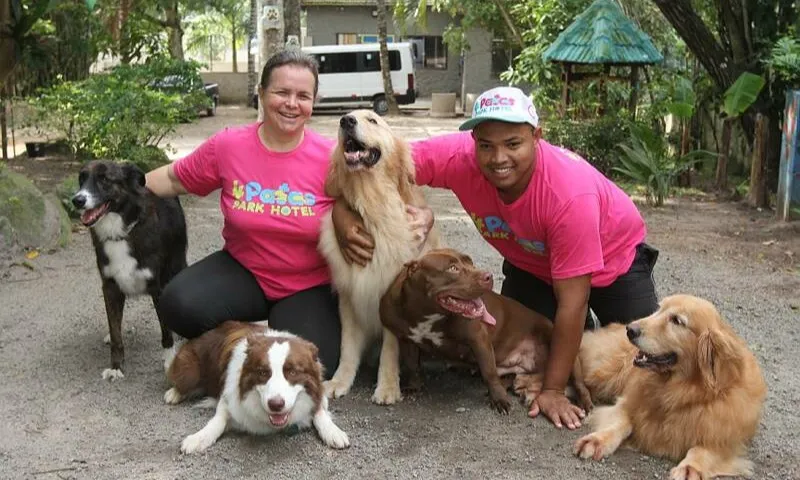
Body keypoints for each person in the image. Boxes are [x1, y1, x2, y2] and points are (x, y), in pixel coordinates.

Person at [332, 86, 660, 430]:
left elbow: (573, 303)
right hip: (533, 266)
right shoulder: (458, 156)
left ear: (537, 136)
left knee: (649, 360)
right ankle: (575, 341)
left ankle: (575, 346)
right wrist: (342, 213)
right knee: (515, 346)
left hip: (615, 264)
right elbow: (377, 160)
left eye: (513, 144)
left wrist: (552, 390)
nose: (498, 157)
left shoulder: (568, 196)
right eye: (486, 145)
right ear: (473, 139)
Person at [145, 50, 342, 374]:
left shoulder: (332, 158)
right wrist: (120, 189)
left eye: (303, 95)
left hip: (308, 284)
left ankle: (261, 332)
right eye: (281, 92)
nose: (292, 103)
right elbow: (172, 178)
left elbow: (380, 194)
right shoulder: (230, 145)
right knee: (178, 305)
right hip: (244, 270)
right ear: (262, 94)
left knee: (311, 366)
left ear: (313, 101)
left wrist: (421, 215)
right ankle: (246, 334)